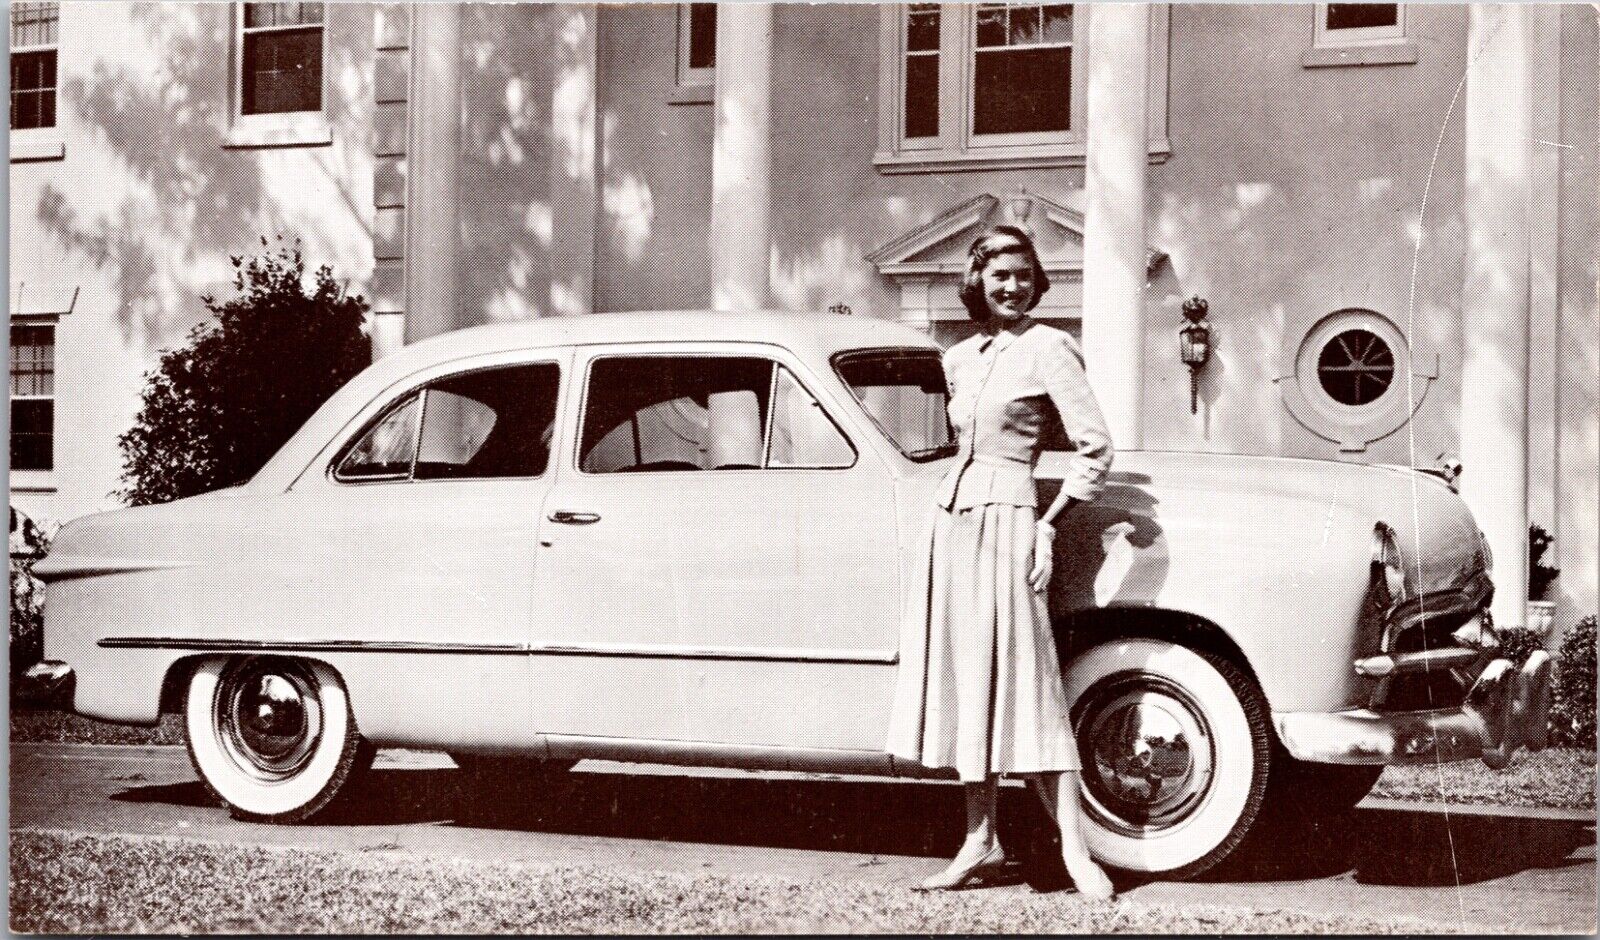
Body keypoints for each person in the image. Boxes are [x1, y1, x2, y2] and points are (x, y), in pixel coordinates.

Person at [885, 224, 1116, 899]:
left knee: (1029, 683)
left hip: (1013, 523)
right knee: (967, 684)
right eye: (997, 275)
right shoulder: (958, 358)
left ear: (1036, 280)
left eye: (1021, 274)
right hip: (952, 526)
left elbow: (1096, 447)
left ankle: (1075, 847)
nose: (1010, 286)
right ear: (977, 282)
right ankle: (978, 839)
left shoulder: (1049, 349)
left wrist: (1048, 527)